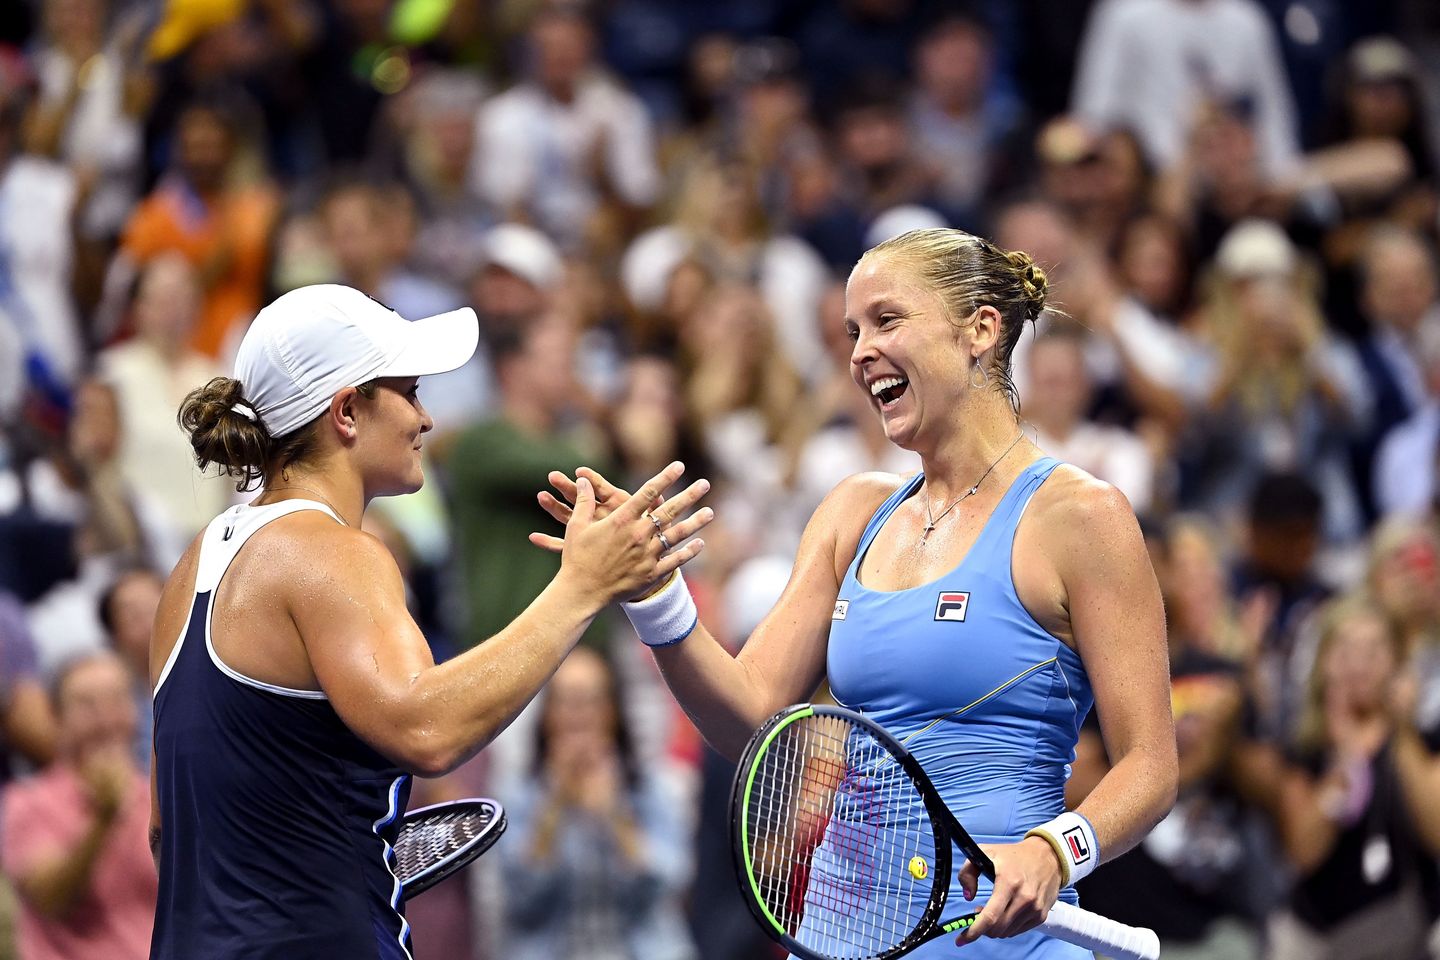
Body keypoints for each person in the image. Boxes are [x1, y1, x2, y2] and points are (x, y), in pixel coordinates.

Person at [536, 228, 1178, 955]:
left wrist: (1056, 850)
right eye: (852, 330)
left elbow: (1150, 765)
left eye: (887, 320)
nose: (859, 351)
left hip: (1005, 941)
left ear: (981, 331)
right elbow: (749, 714)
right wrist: (654, 595)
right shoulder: (852, 513)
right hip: (841, 937)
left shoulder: (1080, 517)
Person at [149, 284, 712, 959]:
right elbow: (427, 729)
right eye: (410, 392)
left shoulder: (192, 567)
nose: (427, 418)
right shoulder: (334, 554)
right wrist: (583, 587)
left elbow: (168, 828)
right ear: (347, 412)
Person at [497, 646, 696, 960]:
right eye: (566, 701)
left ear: (612, 710)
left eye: (590, 700)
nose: (579, 714)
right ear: (547, 714)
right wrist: (552, 806)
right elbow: (521, 898)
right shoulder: (519, 793)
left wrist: (615, 814)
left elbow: (669, 882)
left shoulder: (647, 785)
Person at [1, 651, 157, 960]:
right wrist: (103, 820)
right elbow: (49, 899)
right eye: (87, 704)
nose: (106, 716)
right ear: (56, 717)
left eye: (116, 699)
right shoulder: (28, 802)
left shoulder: (161, 796)